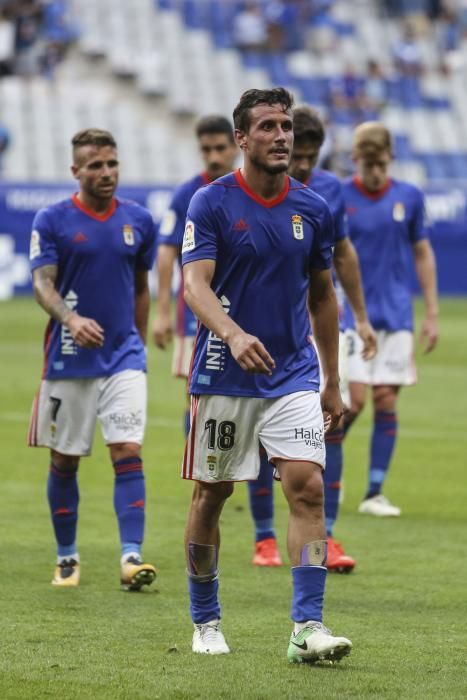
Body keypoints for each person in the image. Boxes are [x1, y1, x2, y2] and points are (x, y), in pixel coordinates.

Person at [181, 87, 352, 663]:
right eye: (269, 127)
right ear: (242, 139)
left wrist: (331, 377)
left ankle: (308, 626)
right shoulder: (211, 203)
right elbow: (195, 285)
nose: (282, 136)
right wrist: (230, 332)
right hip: (222, 373)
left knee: (307, 488)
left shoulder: (313, 208)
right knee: (213, 494)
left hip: (292, 374)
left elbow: (323, 297)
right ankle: (205, 619)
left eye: (286, 126)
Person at [248, 105, 377, 573]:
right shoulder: (250, 188)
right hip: (267, 334)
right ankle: (264, 536)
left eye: (310, 155)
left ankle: (329, 534)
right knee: (258, 444)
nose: (301, 164)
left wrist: (360, 318)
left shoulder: (326, 193)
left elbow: (343, 258)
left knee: (333, 424)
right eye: (296, 153)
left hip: (315, 333)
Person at [28, 128, 158, 589]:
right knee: (65, 460)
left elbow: (141, 287)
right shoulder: (53, 219)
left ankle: (131, 557)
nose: (107, 173)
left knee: (127, 450)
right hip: (69, 359)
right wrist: (70, 319)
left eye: (112, 164)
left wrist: (137, 345)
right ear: (75, 171)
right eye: (96, 166)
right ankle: (67, 556)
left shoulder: (139, 221)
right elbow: (43, 284)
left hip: (123, 356)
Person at [342, 121, 439, 517]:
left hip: (396, 314)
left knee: (386, 400)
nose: (375, 171)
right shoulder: (340, 196)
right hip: (350, 315)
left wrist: (431, 311)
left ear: (391, 160)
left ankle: (374, 492)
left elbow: (422, 252)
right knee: (353, 402)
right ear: (355, 160)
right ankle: (321, 459)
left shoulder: (410, 197)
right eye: (368, 163)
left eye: (381, 163)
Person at [153, 116, 237, 436]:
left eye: (220, 148)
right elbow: (166, 253)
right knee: (196, 394)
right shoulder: (187, 193)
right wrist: (162, 313)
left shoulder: (250, 189)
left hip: (245, 306)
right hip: (196, 312)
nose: (214, 156)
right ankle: (198, 473)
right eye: (206, 149)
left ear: (235, 147)